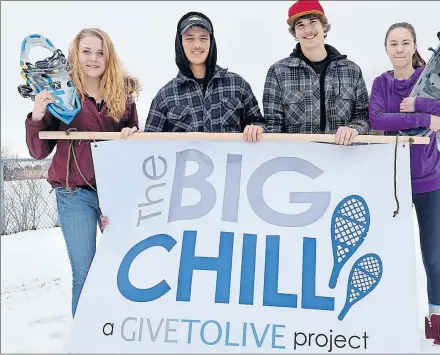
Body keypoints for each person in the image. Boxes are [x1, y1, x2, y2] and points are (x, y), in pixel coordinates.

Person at [25, 28, 141, 317]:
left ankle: (119, 332)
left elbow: (134, 147)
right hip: (73, 191)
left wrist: (132, 134)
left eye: (100, 52)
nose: (93, 58)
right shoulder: (61, 92)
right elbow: (39, 151)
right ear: (75, 55)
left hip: (112, 192)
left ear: (108, 56)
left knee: (123, 266)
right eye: (87, 52)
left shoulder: (122, 93)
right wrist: (38, 116)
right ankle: (84, 341)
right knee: (85, 273)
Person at [369, 22, 440, 346]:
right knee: (391, 256)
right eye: (393, 43)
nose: (399, 48)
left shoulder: (427, 80)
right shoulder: (381, 84)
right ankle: (392, 318)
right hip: (394, 185)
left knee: (432, 257)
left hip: (431, 185)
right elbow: (377, 119)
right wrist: (426, 119)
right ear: (386, 49)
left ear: (414, 46)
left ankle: (436, 323)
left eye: (405, 42)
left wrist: (421, 104)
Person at [145, 11, 266, 143]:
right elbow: (148, 145)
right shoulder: (164, 96)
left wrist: (257, 128)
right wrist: (132, 137)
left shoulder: (238, 85)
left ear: (211, 42)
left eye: (203, 38)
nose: (197, 45)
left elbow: (259, 123)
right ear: (180, 44)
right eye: (189, 38)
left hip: (230, 163)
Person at [261, 0, 370, 144]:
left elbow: (363, 116)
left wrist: (354, 128)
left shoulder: (352, 71)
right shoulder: (278, 72)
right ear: (294, 33)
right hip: (298, 161)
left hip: (344, 159)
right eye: (300, 25)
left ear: (324, 26)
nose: (308, 30)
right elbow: (273, 125)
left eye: (313, 22)